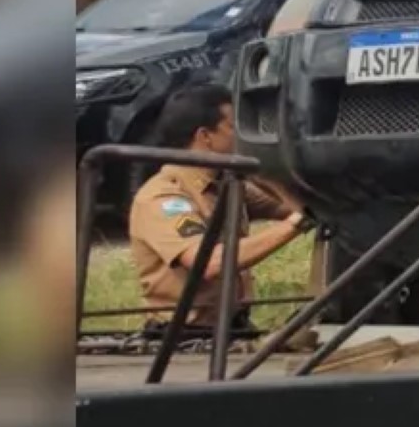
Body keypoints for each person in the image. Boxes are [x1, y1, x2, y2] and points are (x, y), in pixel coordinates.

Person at [128, 83, 307, 337]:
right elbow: (208, 262)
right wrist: (295, 225)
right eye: (234, 127)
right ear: (205, 137)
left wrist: (263, 168)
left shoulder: (228, 183)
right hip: (182, 337)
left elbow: (296, 206)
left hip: (231, 328)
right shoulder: (163, 196)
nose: (242, 135)